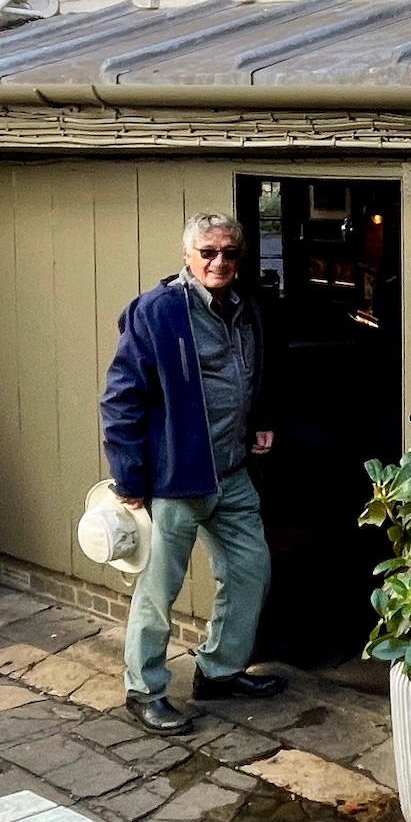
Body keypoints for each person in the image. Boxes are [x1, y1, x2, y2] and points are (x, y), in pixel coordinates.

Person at [103, 211, 286, 735]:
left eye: (229, 252)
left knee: (252, 571)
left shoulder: (246, 306)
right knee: (159, 590)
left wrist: (263, 420)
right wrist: (130, 478)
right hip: (174, 480)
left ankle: (220, 671)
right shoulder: (157, 311)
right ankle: (145, 690)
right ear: (187, 256)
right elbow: (121, 399)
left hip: (231, 473)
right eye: (207, 252)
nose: (219, 262)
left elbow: (257, 370)